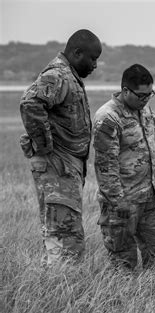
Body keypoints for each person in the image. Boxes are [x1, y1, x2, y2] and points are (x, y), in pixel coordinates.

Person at [19, 29, 102, 266]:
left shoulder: (68, 76)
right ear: (77, 53)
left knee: (62, 232)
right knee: (65, 237)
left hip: (65, 166)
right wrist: (45, 147)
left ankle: (61, 287)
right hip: (58, 166)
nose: (95, 65)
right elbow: (30, 103)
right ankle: (64, 289)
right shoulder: (59, 75)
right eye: (92, 58)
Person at [93, 64, 155, 270]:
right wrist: (119, 202)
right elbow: (105, 167)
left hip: (150, 198)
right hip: (123, 203)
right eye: (141, 96)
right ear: (125, 90)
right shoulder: (108, 117)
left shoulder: (144, 109)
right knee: (123, 263)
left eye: (150, 94)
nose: (146, 100)